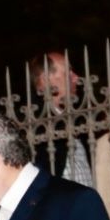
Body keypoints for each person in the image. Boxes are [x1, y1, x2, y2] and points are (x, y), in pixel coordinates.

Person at [28, 53, 94, 190]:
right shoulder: (35, 126)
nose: (76, 77)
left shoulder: (80, 119)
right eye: (68, 72)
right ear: (46, 80)